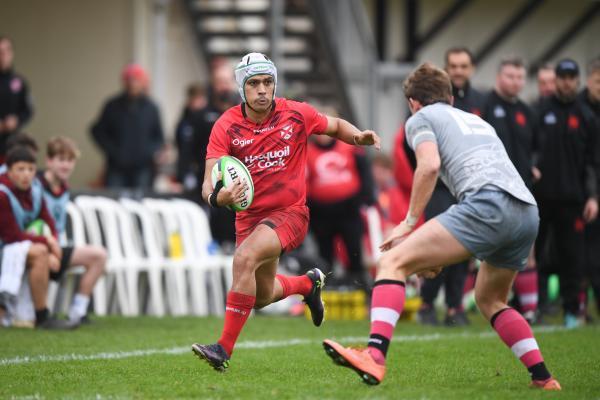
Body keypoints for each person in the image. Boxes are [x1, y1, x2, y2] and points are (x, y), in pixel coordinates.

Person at [322, 63, 560, 390]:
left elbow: (430, 165)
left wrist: (407, 223)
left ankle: (374, 356)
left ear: (412, 103)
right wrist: (437, 255)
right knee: (490, 299)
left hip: (487, 204)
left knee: (392, 262)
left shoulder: (420, 118)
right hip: (526, 211)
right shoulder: (477, 121)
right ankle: (543, 377)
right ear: (449, 96)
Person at [191, 52, 380, 371]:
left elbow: (334, 126)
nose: (263, 89)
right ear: (242, 88)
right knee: (262, 295)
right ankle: (307, 285)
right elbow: (209, 181)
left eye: (268, 82)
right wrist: (217, 198)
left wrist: (357, 136)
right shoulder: (226, 125)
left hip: (290, 214)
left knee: (243, 259)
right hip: (249, 218)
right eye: (254, 84)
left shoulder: (296, 113)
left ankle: (222, 348)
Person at [416, 47, 486, 327]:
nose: (458, 70)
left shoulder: (482, 100)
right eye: (453, 66)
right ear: (446, 69)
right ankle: (427, 304)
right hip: (439, 186)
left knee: (463, 247)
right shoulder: (430, 101)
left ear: (472, 68)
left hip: (468, 186)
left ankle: (456, 306)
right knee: (437, 246)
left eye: (463, 65)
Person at [533, 58, 599, 328]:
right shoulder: (539, 111)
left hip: (573, 200)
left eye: (572, 77)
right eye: (563, 76)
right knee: (534, 254)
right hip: (540, 199)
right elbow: (529, 151)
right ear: (556, 79)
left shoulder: (586, 116)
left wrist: (593, 196)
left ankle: (572, 310)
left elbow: (593, 162)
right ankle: (534, 306)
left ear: (577, 80)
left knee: (573, 258)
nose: (567, 81)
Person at [481, 57, 538, 322]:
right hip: (494, 190)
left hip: (524, 191)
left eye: (519, 77)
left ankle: (530, 309)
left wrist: (534, 167)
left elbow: (536, 148)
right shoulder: (485, 106)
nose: (515, 82)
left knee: (527, 252)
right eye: (510, 76)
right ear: (498, 77)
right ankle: (490, 303)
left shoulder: (526, 111)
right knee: (493, 251)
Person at [0, 146, 75, 329]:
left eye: (31, 169)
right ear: (9, 171)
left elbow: (47, 220)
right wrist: (48, 243)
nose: (26, 174)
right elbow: (12, 236)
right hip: (7, 246)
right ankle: (42, 316)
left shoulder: (35, 190)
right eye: (20, 169)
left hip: (25, 246)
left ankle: (78, 312)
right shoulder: (2, 193)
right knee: (40, 252)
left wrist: (53, 246)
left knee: (95, 254)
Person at [39, 137, 107, 323]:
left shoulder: (64, 187)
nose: (66, 165)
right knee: (40, 254)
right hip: (38, 247)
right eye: (61, 159)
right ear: (49, 161)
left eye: (70, 160)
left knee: (99, 255)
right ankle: (39, 313)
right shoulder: (36, 185)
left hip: (57, 247)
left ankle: (78, 311)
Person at [306, 115, 375, 288]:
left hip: (348, 209)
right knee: (325, 254)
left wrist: (365, 199)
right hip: (321, 212)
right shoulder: (307, 151)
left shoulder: (349, 147)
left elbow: (364, 173)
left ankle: (359, 285)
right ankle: (326, 289)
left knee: (354, 250)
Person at [91, 64, 165, 189]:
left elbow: (159, 138)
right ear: (124, 82)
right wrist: (113, 151)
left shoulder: (152, 108)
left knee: (141, 202)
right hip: (116, 168)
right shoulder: (112, 106)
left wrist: (146, 153)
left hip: (143, 170)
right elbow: (97, 131)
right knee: (115, 203)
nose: (132, 83)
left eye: (136, 79)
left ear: (142, 82)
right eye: (129, 79)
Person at [578, 57, 600, 317]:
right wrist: (592, 194)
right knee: (585, 255)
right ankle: (580, 306)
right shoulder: (580, 110)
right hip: (585, 194)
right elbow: (588, 162)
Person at [0, 36, 33, 164]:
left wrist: (16, 120)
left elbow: (28, 110)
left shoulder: (19, 82)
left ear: (11, 53)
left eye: (5, 51)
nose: (3, 56)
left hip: (10, 146)